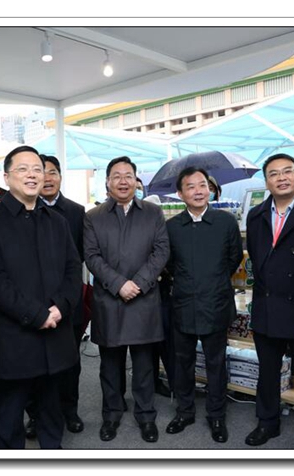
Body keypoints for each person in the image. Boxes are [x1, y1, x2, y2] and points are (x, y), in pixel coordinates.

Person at [0, 145, 81, 449]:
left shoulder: (56, 220)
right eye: (23, 169)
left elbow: (74, 269)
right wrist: (37, 314)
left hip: (55, 332)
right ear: (7, 177)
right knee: (9, 415)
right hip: (14, 335)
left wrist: (60, 308)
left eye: (37, 169)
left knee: (52, 410)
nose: (32, 175)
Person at [84, 156, 170, 443]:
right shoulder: (93, 216)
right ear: (107, 182)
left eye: (128, 175)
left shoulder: (153, 213)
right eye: (117, 176)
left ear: (136, 181)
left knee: (144, 364)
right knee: (110, 365)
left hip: (143, 299)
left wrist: (139, 283)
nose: (123, 181)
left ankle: (146, 416)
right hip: (109, 300)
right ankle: (111, 414)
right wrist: (119, 284)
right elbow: (92, 256)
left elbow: (161, 252)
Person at [244, 153, 294, 448]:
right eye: (274, 173)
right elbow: (256, 256)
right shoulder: (256, 215)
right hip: (267, 304)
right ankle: (267, 423)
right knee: (267, 372)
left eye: (287, 171)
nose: (282, 178)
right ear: (266, 181)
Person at [164, 166, 242, 443]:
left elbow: (234, 259)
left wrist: (214, 281)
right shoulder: (171, 227)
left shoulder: (226, 222)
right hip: (183, 303)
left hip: (216, 302)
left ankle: (216, 415)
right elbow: (169, 264)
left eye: (202, 185)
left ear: (209, 189)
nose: (198, 191)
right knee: (182, 362)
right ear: (180, 194)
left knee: (216, 363)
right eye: (191, 186)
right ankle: (184, 411)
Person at [24, 154, 86, 438]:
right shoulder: (24, 211)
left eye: (52, 172)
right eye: (42, 172)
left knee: (70, 362)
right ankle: (35, 416)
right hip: (33, 304)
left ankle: (69, 410)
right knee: (34, 362)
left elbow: (80, 258)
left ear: (60, 177)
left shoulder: (76, 211)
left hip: (68, 301)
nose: (47, 178)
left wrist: (65, 299)